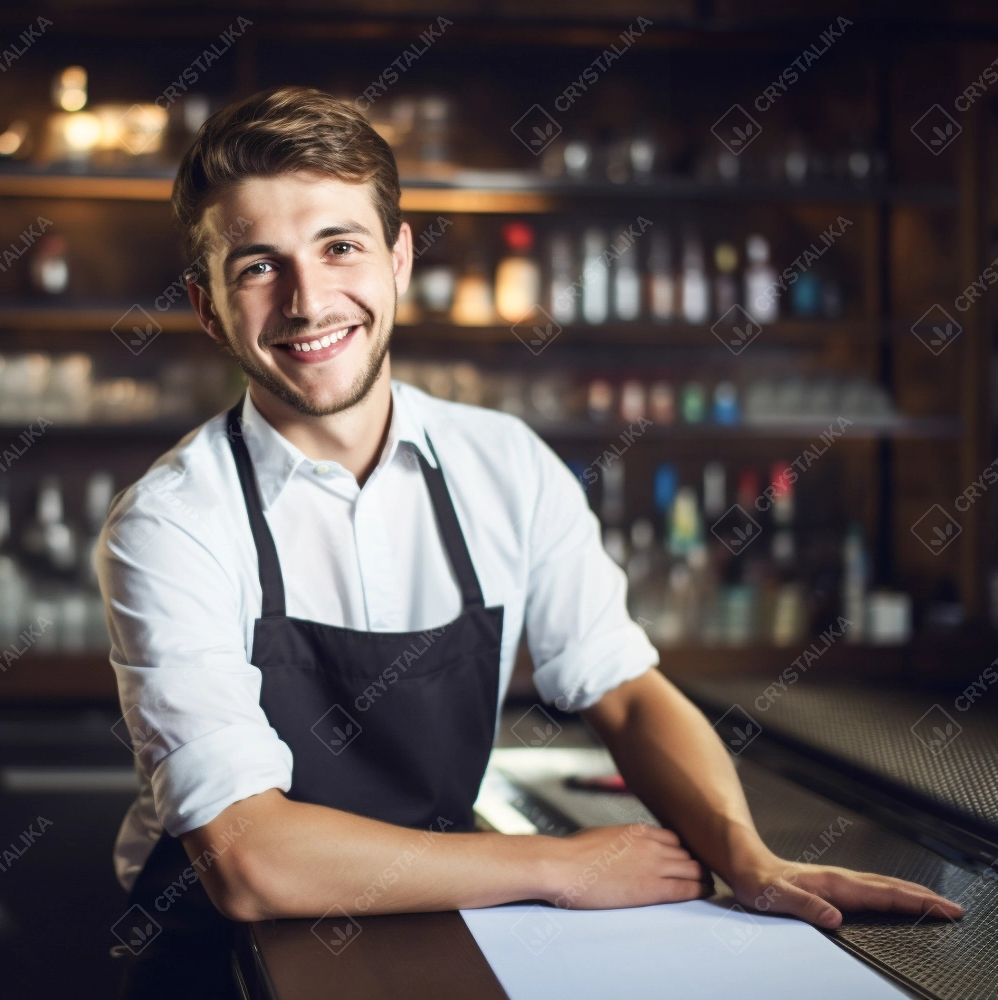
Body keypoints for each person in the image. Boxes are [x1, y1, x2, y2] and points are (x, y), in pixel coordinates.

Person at [96, 86, 962, 998]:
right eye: (258, 267)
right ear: (206, 306)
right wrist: (555, 866)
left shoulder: (503, 464)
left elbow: (623, 693)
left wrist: (747, 857)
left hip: (434, 929)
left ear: (398, 259)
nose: (310, 301)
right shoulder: (172, 524)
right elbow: (247, 859)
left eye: (339, 246)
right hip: (222, 959)